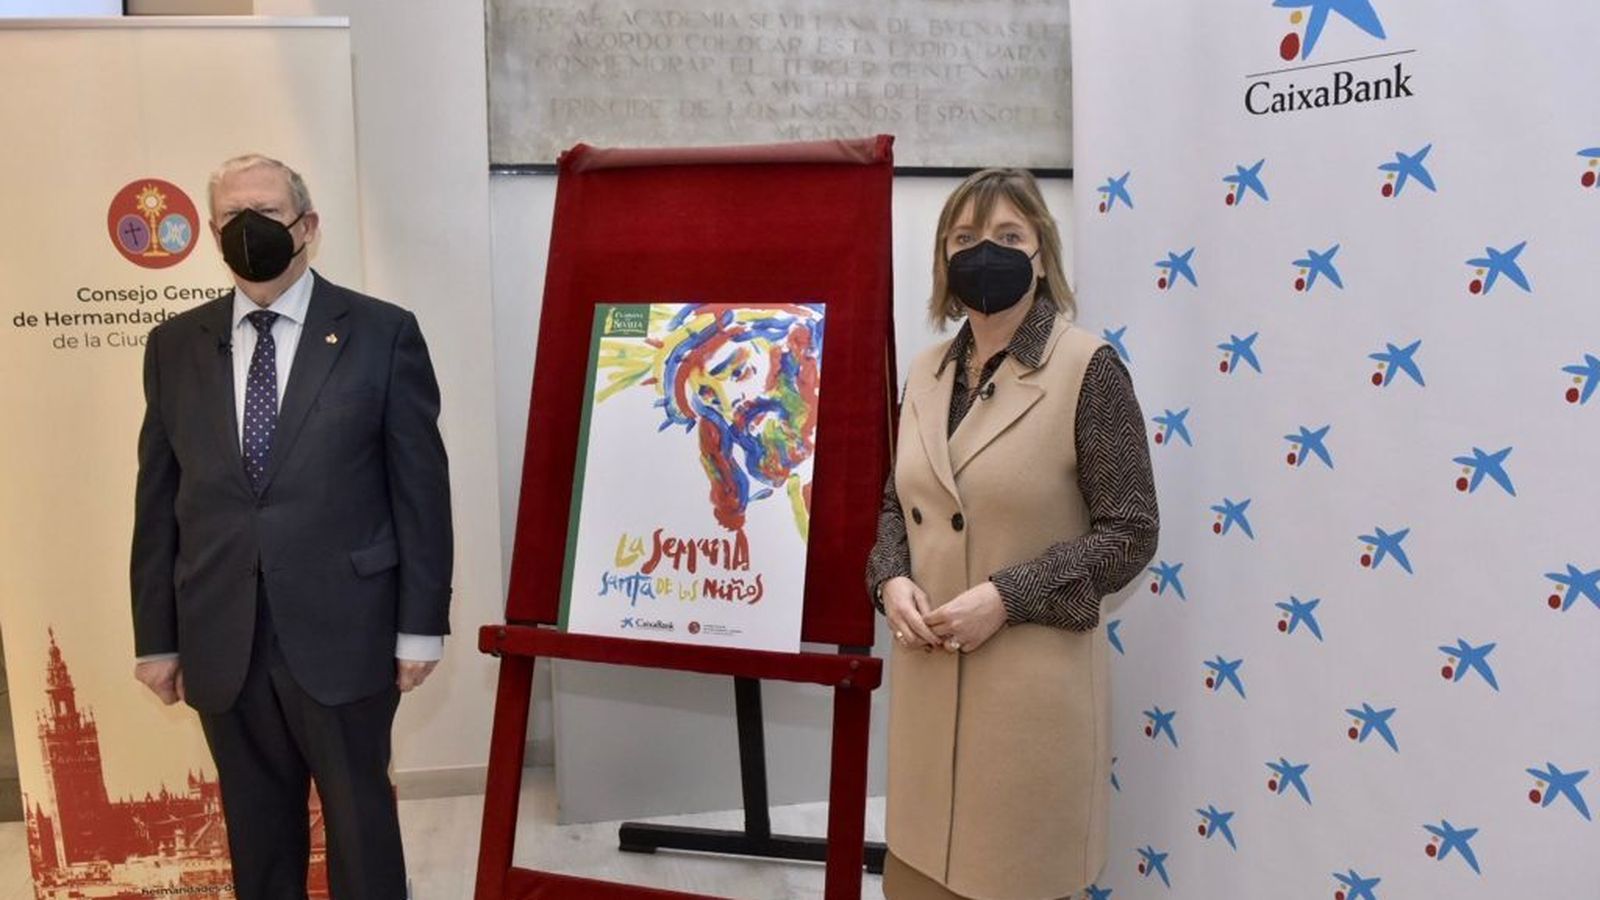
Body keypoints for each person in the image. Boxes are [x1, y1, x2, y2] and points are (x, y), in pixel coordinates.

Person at [130, 154, 453, 900]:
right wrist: (157, 636)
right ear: (212, 232)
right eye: (230, 217)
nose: (249, 229)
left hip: (349, 629)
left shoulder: (381, 333)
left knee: (361, 826)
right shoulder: (174, 346)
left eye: (266, 213)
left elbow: (421, 495)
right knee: (257, 832)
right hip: (221, 632)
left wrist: (420, 627)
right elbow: (158, 498)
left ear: (307, 226)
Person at [865, 168, 1159, 899]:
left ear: (1040, 253)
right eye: (964, 239)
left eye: (1007, 237)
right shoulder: (927, 371)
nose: (983, 254)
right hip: (929, 692)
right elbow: (893, 503)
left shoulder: (1089, 369)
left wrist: (1007, 595)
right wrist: (889, 577)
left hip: (1029, 704)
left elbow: (1131, 531)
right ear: (941, 260)